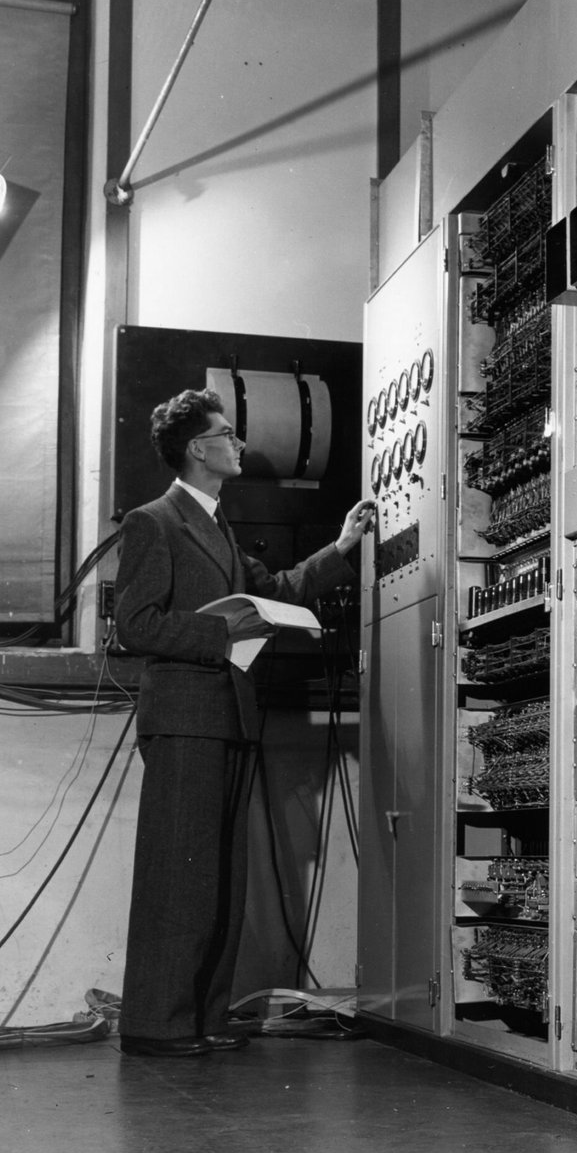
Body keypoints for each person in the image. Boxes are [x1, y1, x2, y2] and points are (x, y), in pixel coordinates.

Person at [113, 387, 375, 1057]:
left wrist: (343, 545)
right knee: (181, 875)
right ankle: (156, 1024)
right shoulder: (154, 522)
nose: (240, 444)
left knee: (220, 877)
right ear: (199, 448)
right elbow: (135, 624)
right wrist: (220, 633)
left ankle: (203, 1015)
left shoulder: (219, 528)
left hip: (229, 716)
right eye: (228, 435)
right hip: (184, 717)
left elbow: (279, 591)